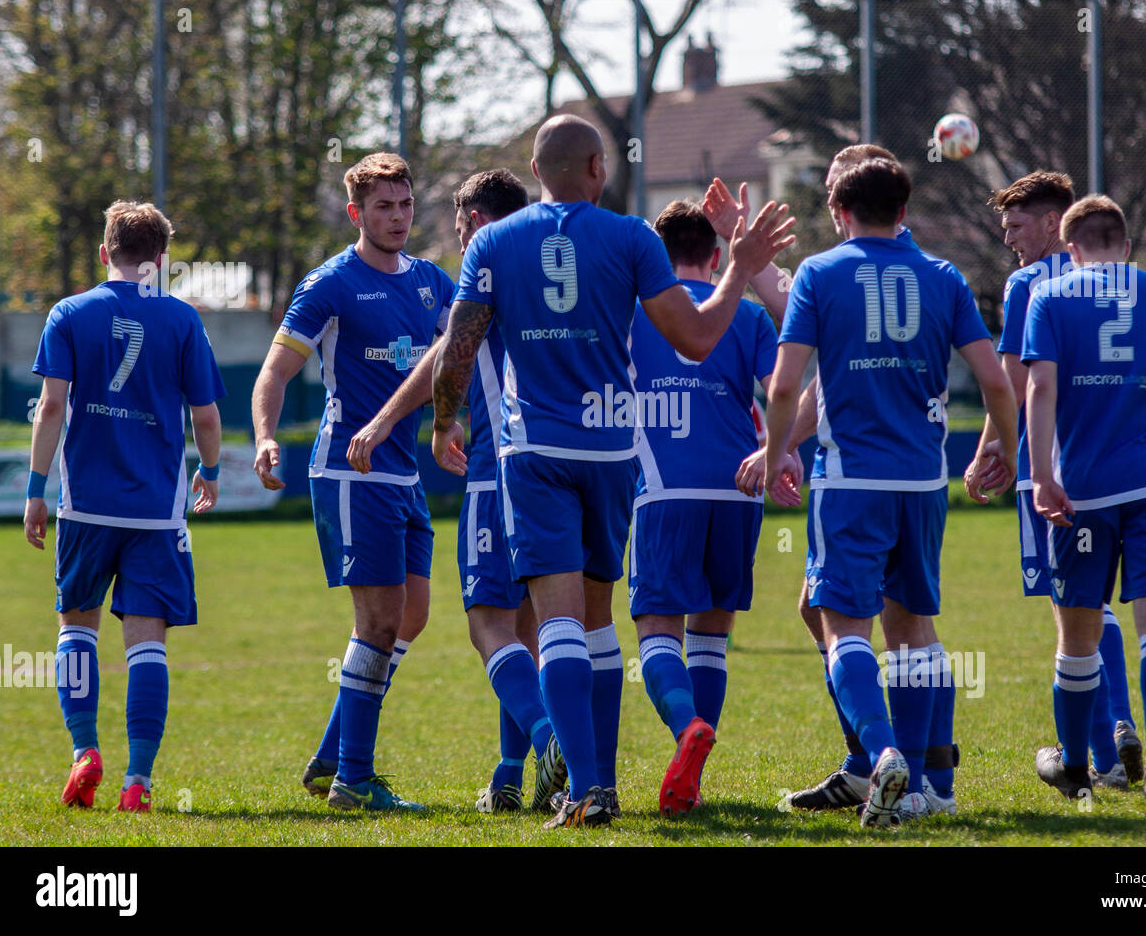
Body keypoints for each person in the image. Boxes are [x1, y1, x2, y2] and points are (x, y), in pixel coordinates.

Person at [429, 113, 794, 828]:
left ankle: (588, 789)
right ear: (599, 168)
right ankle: (606, 786)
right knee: (598, 627)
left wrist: (446, 419)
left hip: (535, 452)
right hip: (612, 453)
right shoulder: (631, 236)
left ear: (537, 173)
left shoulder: (494, 242)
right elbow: (694, 339)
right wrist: (741, 268)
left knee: (555, 622)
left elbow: (458, 349)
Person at [763, 156, 1019, 827]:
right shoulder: (944, 276)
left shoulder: (820, 272)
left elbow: (786, 385)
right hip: (923, 482)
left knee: (840, 621)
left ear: (839, 213)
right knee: (915, 633)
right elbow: (998, 382)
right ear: (904, 213)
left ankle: (882, 756)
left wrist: (774, 451)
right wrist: (1004, 447)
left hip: (851, 482)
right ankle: (935, 786)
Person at [346, 168, 566, 815]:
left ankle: (553, 737)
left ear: (472, 223)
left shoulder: (487, 267)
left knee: (487, 623)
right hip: (569, 468)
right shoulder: (551, 273)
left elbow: (449, 350)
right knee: (531, 624)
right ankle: (507, 774)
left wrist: (400, 421)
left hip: (501, 469)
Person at [251, 152, 453, 812]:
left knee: (412, 617)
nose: (397, 218)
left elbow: (461, 350)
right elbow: (274, 374)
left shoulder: (430, 282)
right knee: (377, 620)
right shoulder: (329, 284)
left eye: (404, 205)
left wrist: (451, 420)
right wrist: (264, 434)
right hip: (349, 468)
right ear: (356, 213)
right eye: (383, 207)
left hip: (403, 473)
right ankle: (354, 782)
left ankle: (332, 757)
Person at [26, 200, 225, 812]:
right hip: (155, 515)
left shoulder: (69, 313)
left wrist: (36, 490)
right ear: (160, 260)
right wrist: (211, 472)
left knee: (75, 628)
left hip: (84, 507)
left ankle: (85, 751)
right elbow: (207, 415)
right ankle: (137, 781)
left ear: (104, 251)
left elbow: (52, 408)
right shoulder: (183, 320)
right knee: (147, 644)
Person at [1023, 194, 1146, 807]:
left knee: (1078, 632)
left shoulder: (1050, 297)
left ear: (1071, 250)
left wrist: (1041, 476)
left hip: (1082, 493)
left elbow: (1041, 388)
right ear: (1127, 245)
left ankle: (1076, 769)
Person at [965, 170, 1140, 789]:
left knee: (1072, 606)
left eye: (1016, 226)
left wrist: (989, 450)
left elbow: (1013, 385)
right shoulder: (1120, 280)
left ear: (1050, 223)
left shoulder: (1025, 286)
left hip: (1049, 468)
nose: (1009, 238)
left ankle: (1104, 757)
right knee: (1097, 602)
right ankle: (1119, 725)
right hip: (1120, 464)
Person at [628, 199, 778, 813]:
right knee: (712, 633)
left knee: (656, 627)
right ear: (716, 257)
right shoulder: (749, 315)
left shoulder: (634, 312)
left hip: (664, 489)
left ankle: (687, 727)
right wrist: (783, 451)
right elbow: (786, 390)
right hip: (738, 488)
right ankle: (694, 775)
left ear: (655, 262)